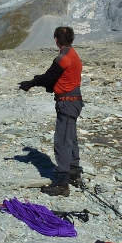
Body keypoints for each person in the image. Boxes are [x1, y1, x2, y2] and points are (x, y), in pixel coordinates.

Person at [18, 26, 83, 196]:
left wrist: (30, 83)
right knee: (70, 137)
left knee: (62, 140)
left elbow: (49, 77)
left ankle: (62, 182)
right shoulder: (73, 54)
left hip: (67, 102)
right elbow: (53, 79)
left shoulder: (63, 58)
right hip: (73, 100)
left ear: (56, 39)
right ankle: (74, 172)